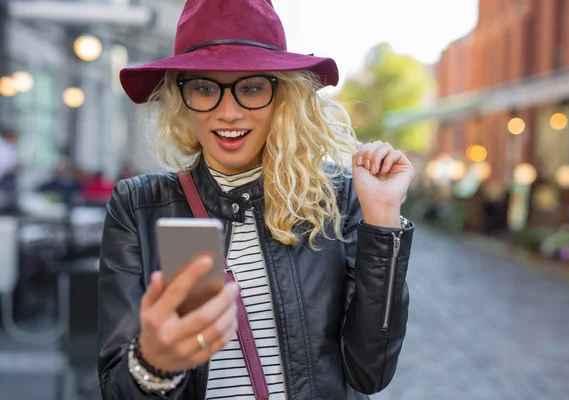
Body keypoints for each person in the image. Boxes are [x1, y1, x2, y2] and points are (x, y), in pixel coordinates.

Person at [97, 0, 415, 399]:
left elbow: (370, 372)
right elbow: (115, 389)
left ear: (282, 95)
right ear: (181, 97)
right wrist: (152, 361)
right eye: (204, 87)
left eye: (250, 87)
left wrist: (382, 217)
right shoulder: (139, 207)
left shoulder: (334, 198)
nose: (228, 112)